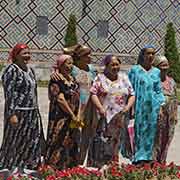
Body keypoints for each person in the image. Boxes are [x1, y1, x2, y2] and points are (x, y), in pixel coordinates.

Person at [81, 54, 135, 167]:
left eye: (117, 64)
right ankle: (97, 166)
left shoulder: (124, 77)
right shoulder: (100, 78)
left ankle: (112, 167)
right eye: (112, 65)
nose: (115, 67)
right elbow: (93, 94)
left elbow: (132, 94)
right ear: (106, 66)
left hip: (119, 117)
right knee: (101, 142)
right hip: (103, 117)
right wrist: (100, 108)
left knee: (116, 142)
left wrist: (127, 107)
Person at [0, 43, 45, 171]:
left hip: (31, 112)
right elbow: (9, 93)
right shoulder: (12, 70)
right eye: (24, 53)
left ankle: (27, 167)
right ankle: (9, 167)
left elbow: (34, 92)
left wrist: (37, 111)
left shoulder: (30, 70)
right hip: (18, 112)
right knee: (14, 141)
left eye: (28, 53)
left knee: (30, 140)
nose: (27, 56)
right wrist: (12, 114)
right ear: (16, 55)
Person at [128, 45, 165, 166]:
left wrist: (160, 106)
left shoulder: (156, 71)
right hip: (139, 106)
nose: (150, 56)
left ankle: (148, 157)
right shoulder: (135, 70)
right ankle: (138, 157)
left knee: (150, 131)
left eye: (153, 54)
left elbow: (158, 90)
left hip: (153, 107)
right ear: (142, 55)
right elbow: (130, 89)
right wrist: (131, 107)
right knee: (138, 130)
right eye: (148, 53)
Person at [45, 54, 81, 170]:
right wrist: (72, 114)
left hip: (73, 117)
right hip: (60, 117)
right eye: (68, 63)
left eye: (72, 63)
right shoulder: (56, 79)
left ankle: (68, 169)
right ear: (60, 65)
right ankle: (53, 170)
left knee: (71, 141)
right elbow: (60, 99)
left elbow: (79, 97)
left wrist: (78, 114)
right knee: (58, 141)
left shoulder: (72, 79)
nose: (70, 66)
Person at [51, 44, 97, 113]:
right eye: (86, 55)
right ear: (79, 57)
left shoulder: (92, 69)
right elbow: (60, 65)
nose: (90, 57)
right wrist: (55, 71)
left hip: (89, 104)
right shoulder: (72, 69)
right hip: (76, 104)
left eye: (90, 54)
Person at [153, 56, 178, 163]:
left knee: (167, 138)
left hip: (170, 116)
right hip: (157, 115)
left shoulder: (172, 81)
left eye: (166, 65)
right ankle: (153, 163)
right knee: (156, 139)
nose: (165, 67)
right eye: (162, 65)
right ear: (156, 67)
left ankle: (162, 162)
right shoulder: (153, 81)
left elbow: (175, 99)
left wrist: (175, 114)